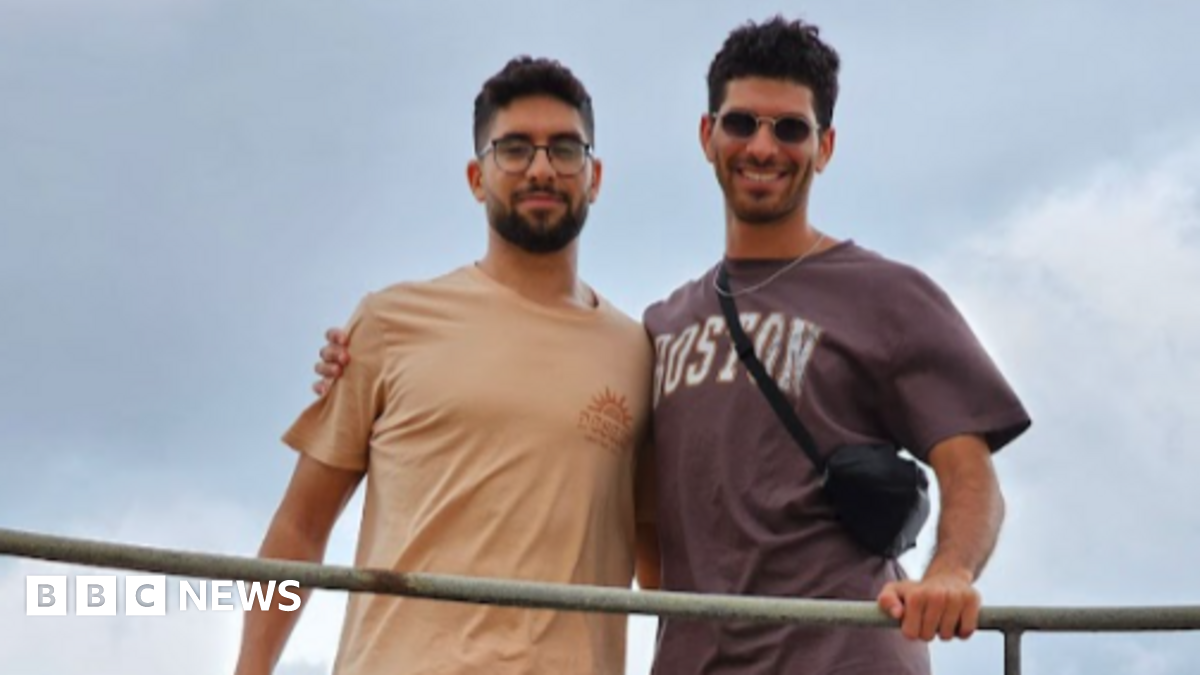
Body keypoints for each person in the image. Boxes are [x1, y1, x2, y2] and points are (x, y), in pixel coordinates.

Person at [314, 16, 1031, 675]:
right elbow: (643, 522)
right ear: (707, 135)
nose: (762, 146)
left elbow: (969, 470)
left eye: (790, 129)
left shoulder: (887, 296)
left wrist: (951, 570)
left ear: (826, 146)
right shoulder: (658, 328)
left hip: (844, 657)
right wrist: (361, 364)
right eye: (742, 122)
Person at [235, 56, 658, 675]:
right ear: (476, 176)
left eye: (564, 149)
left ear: (594, 177)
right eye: (513, 149)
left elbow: (661, 566)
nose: (541, 167)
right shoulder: (387, 324)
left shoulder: (640, 356)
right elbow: (299, 528)